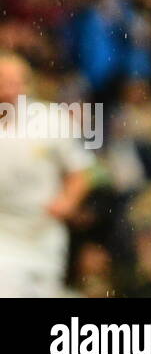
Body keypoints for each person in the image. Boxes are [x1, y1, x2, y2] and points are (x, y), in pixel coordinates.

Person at [0, 52, 92, 297]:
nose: (11, 90)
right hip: (3, 236)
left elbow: (79, 172)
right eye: (4, 82)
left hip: (44, 234)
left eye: (16, 82)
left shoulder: (53, 120)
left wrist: (67, 202)